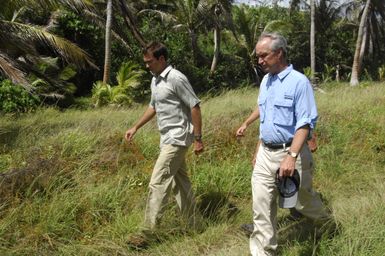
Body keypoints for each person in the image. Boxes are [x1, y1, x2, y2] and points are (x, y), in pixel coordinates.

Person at [236, 32, 330, 256]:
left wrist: (292, 155)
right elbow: (267, 118)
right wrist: (259, 149)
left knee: (303, 202)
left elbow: (305, 123)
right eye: (258, 56)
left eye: (263, 56)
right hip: (266, 154)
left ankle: (327, 225)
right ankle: (265, 251)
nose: (259, 61)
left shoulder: (299, 82)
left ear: (279, 53)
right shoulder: (266, 81)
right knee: (261, 205)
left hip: (291, 153)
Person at [125, 42, 204, 245]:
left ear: (161, 59)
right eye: (145, 62)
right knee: (181, 183)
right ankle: (195, 225)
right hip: (166, 138)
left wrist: (198, 139)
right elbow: (153, 107)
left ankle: (147, 233)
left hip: (177, 139)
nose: (147, 66)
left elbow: (194, 106)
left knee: (158, 181)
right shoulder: (156, 81)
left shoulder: (176, 78)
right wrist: (136, 127)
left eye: (149, 62)